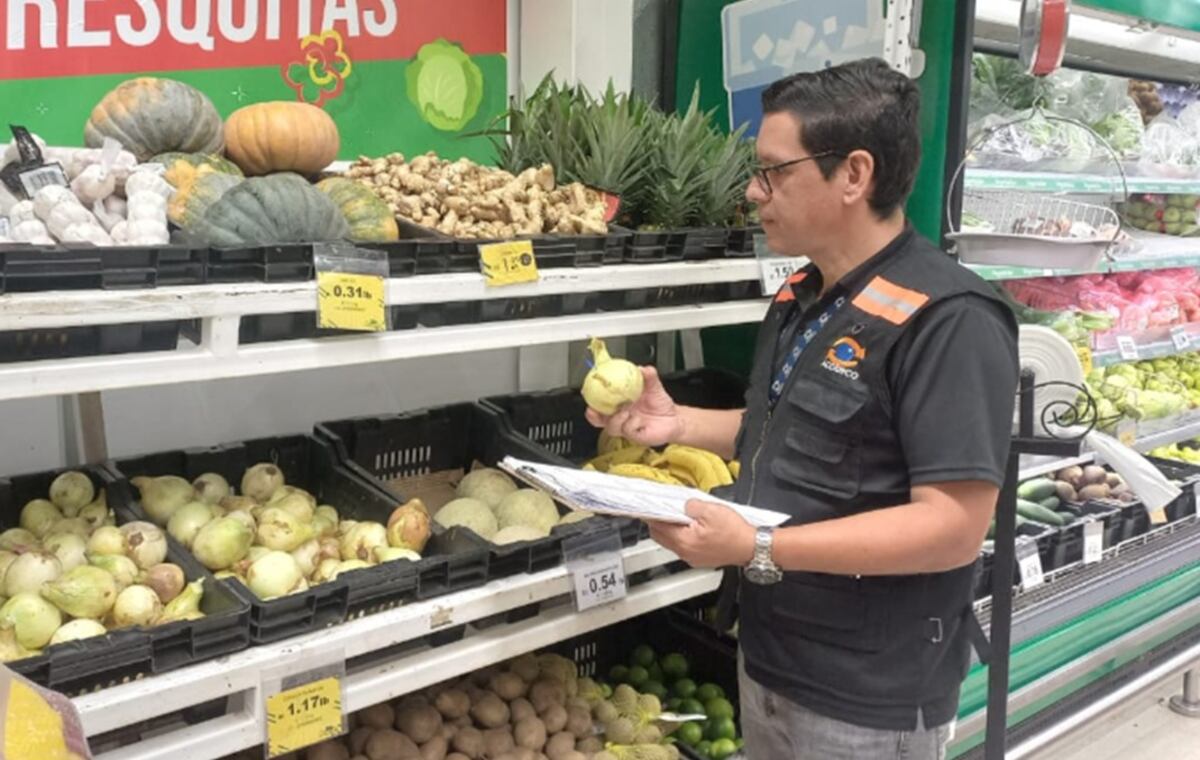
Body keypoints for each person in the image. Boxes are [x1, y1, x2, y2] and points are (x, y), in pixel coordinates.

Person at [587, 58, 1019, 759]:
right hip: (770, 658)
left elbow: (952, 528)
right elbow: (788, 431)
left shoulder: (950, 319)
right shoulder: (801, 296)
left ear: (854, 174)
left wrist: (759, 547)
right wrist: (679, 427)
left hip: (866, 695)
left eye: (773, 172)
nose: (754, 193)